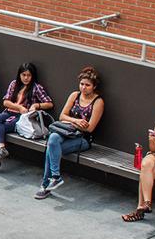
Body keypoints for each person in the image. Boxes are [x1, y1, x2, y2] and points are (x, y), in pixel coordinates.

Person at [33, 67, 105, 199]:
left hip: (82, 139)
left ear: (94, 86)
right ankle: (55, 177)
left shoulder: (98, 102)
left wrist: (74, 123)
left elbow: (89, 128)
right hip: (66, 132)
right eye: (82, 84)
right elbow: (62, 116)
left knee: (51, 148)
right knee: (53, 138)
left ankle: (45, 185)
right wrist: (76, 121)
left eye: (87, 85)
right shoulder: (74, 95)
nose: (84, 87)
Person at [0, 63, 51, 174]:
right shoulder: (14, 84)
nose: (26, 78)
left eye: (29, 75)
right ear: (19, 75)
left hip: (22, 118)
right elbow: (5, 101)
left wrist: (37, 105)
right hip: (10, 112)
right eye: (23, 75)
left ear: (32, 76)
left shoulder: (36, 88)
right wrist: (18, 107)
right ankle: (1, 149)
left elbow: (49, 103)